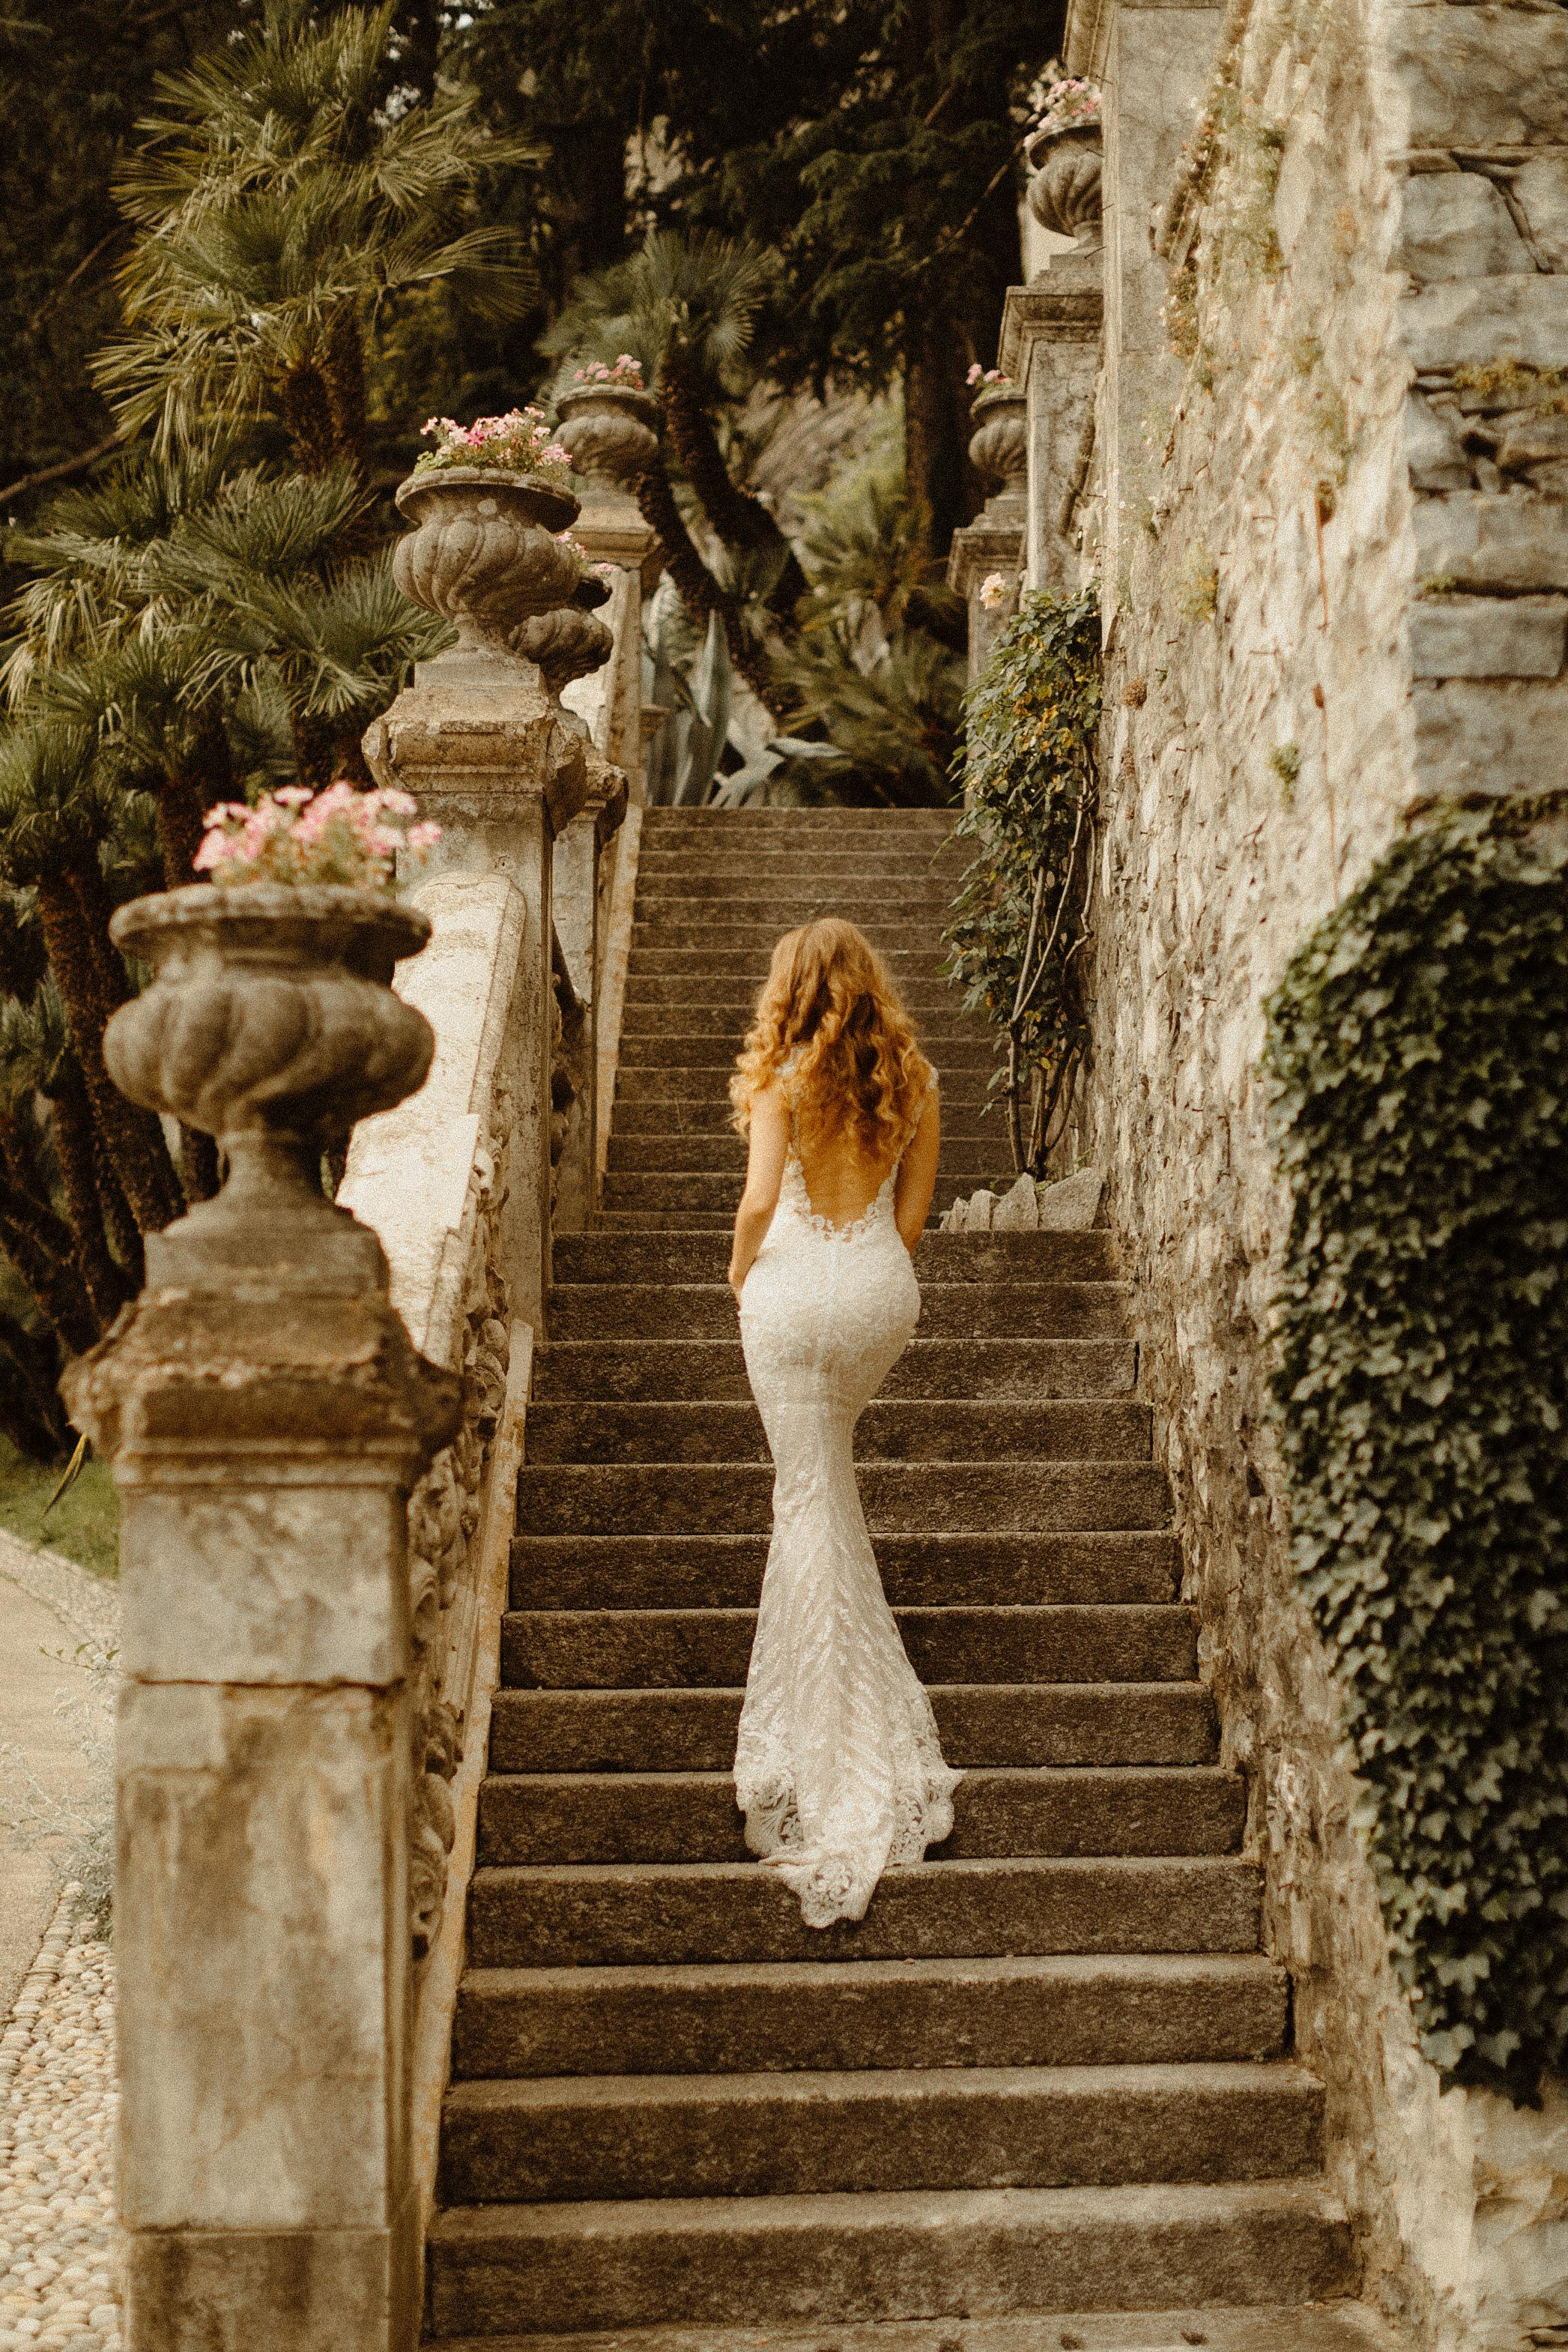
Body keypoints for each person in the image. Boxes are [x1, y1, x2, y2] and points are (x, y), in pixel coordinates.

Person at [726, 916, 960, 1928]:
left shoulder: (779, 1081)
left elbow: (755, 1203)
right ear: (869, 989)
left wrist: (739, 1274)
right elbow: (909, 1224)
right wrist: (860, 1267)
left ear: (791, 990)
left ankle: (827, 1765)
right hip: (875, 1293)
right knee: (824, 1488)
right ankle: (842, 1732)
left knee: (806, 1499)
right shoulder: (915, 1084)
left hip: (790, 1297)